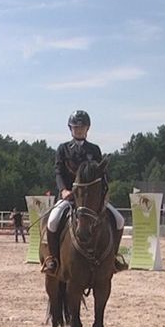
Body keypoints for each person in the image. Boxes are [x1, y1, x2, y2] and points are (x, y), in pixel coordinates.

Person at [41, 109, 128, 274]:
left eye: (82, 127)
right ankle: (52, 259)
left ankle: (113, 258)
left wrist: (103, 193)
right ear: (70, 129)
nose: (79, 130)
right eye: (76, 127)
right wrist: (63, 190)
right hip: (69, 197)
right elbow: (58, 172)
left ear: (87, 128)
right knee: (52, 221)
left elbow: (101, 174)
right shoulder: (63, 149)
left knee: (119, 220)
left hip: (91, 199)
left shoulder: (94, 150)